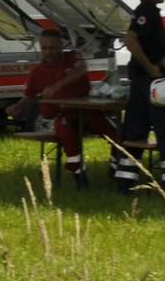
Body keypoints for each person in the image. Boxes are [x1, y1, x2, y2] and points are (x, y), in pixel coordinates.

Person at [6, 28, 115, 189]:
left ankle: (116, 170)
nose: (48, 52)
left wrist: (57, 85)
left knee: (118, 134)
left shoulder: (72, 57)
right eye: (44, 48)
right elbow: (29, 96)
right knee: (69, 141)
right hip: (64, 115)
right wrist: (18, 106)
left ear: (61, 47)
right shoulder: (37, 72)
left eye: (52, 48)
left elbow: (81, 69)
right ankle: (80, 181)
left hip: (89, 111)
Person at [116, 0, 165, 198]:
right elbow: (130, 40)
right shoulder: (145, 11)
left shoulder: (151, 12)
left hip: (141, 82)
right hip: (151, 81)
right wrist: (151, 67)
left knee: (135, 131)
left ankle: (125, 183)